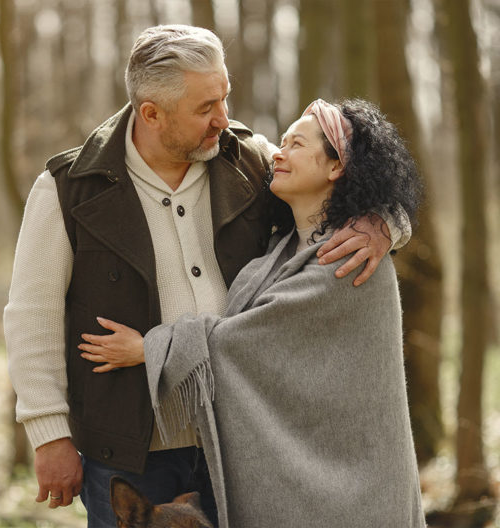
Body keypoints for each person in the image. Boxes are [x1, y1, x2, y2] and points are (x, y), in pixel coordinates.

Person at [3, 25, 408, 527]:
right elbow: (32, 316)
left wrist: (385, 222)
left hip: (242, 441)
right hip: (129, 450)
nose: (223, 118)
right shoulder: (69, 189)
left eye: (224, 97)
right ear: (151, 113)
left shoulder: (250, 160)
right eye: (204, 108)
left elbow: (348, 179)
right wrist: (50, 435)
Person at [78, 99, 426, 527]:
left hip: (357, 494)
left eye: (296, 144)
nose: (278, 153)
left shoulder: (352, 258)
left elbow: (246, 341)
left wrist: (151, 349)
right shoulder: (278, 252)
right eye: (281, 142)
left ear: (337, 168)